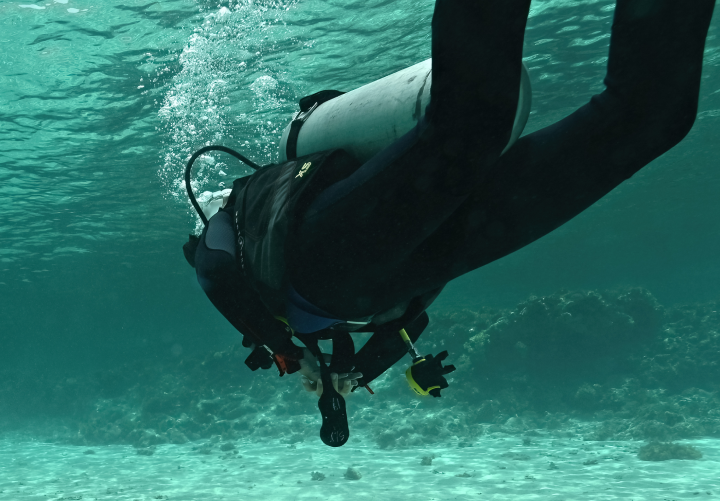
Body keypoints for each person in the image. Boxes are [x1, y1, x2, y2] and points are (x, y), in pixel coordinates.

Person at [183, 0, 714, 447]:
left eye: (271, 362)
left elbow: (214, 268)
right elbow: (409, 324)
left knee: (476, 120)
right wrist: (348, 377)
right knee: (647, 120)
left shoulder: (229, 251)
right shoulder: (322, 342)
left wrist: (287, 349)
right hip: (420, 262)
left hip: (323, 259)